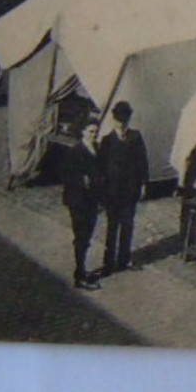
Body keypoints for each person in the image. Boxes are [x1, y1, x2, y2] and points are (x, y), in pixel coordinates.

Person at [97, 101, 149, 277]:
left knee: (127, 225)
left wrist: (143, 185)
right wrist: (101, 192)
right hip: (112, 192)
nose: (122, 124)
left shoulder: (136, 137)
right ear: (114, 120)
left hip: (130, 190)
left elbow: (143, 162)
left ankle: (124, 259)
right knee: (112, 227)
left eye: (125, 120)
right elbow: (101, 168)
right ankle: (108, 262)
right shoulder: (106, 141)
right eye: (119, 120)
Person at [62, 121, 103, 290]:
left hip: (92, 200)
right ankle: (79, 276)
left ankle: (82, 270)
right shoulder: (75, 151)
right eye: (91, 131)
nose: (94, 135)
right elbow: (66, 174)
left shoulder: (97, 149)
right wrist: (81, 180)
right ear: (83, 132)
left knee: (87, 236)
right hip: (77, 200)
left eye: (95, 132)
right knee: (81, 237)